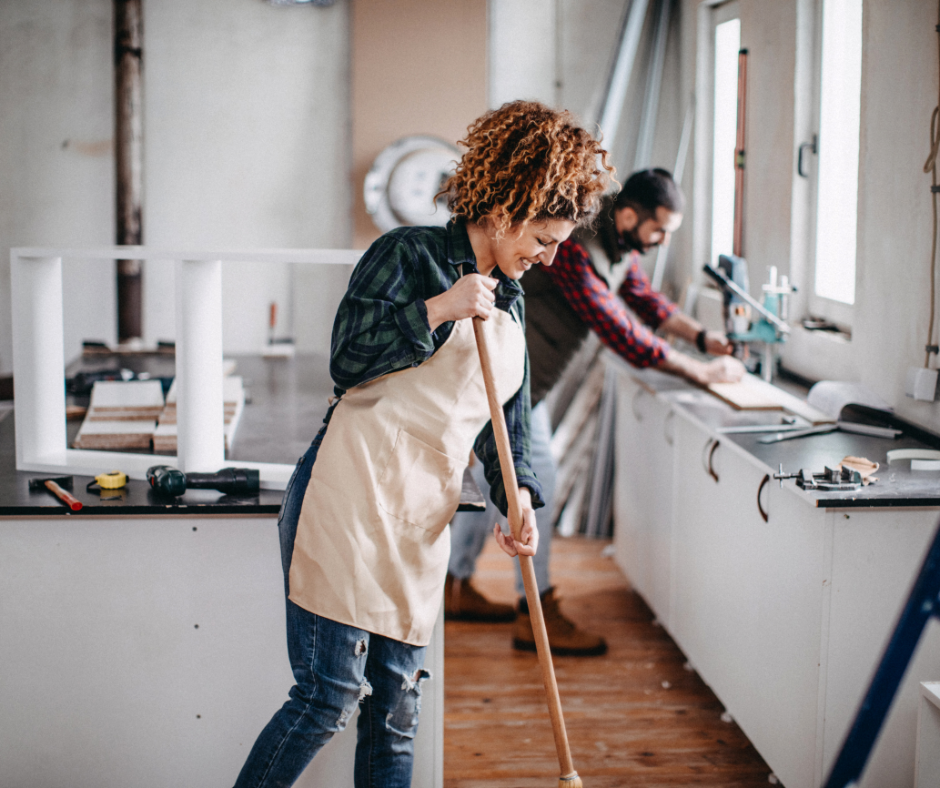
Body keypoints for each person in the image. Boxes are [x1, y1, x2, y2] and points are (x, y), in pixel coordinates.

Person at [232, 101, 614, 788]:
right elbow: (348, 359)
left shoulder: (515, 299)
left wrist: (518, 497)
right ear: (504, 213)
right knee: (328, 698)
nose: (549, 257)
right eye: (544, 238)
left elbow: (508, 423)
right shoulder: (406, 255)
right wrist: (439, 308)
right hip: (349, 495)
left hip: (419, 515)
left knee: (398, 706)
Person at [445, 168, 746, 657]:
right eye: (660, 229)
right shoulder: (576, 246)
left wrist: (702, 338)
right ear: (629, 215)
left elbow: (642, 299)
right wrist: (702, 373)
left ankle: (455, 587)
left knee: (497, 483)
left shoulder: (619, 248)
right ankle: (535, 614)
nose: (663, 239)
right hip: (506, 380)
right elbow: (616, 327)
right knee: (533, 484)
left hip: (525, 385)